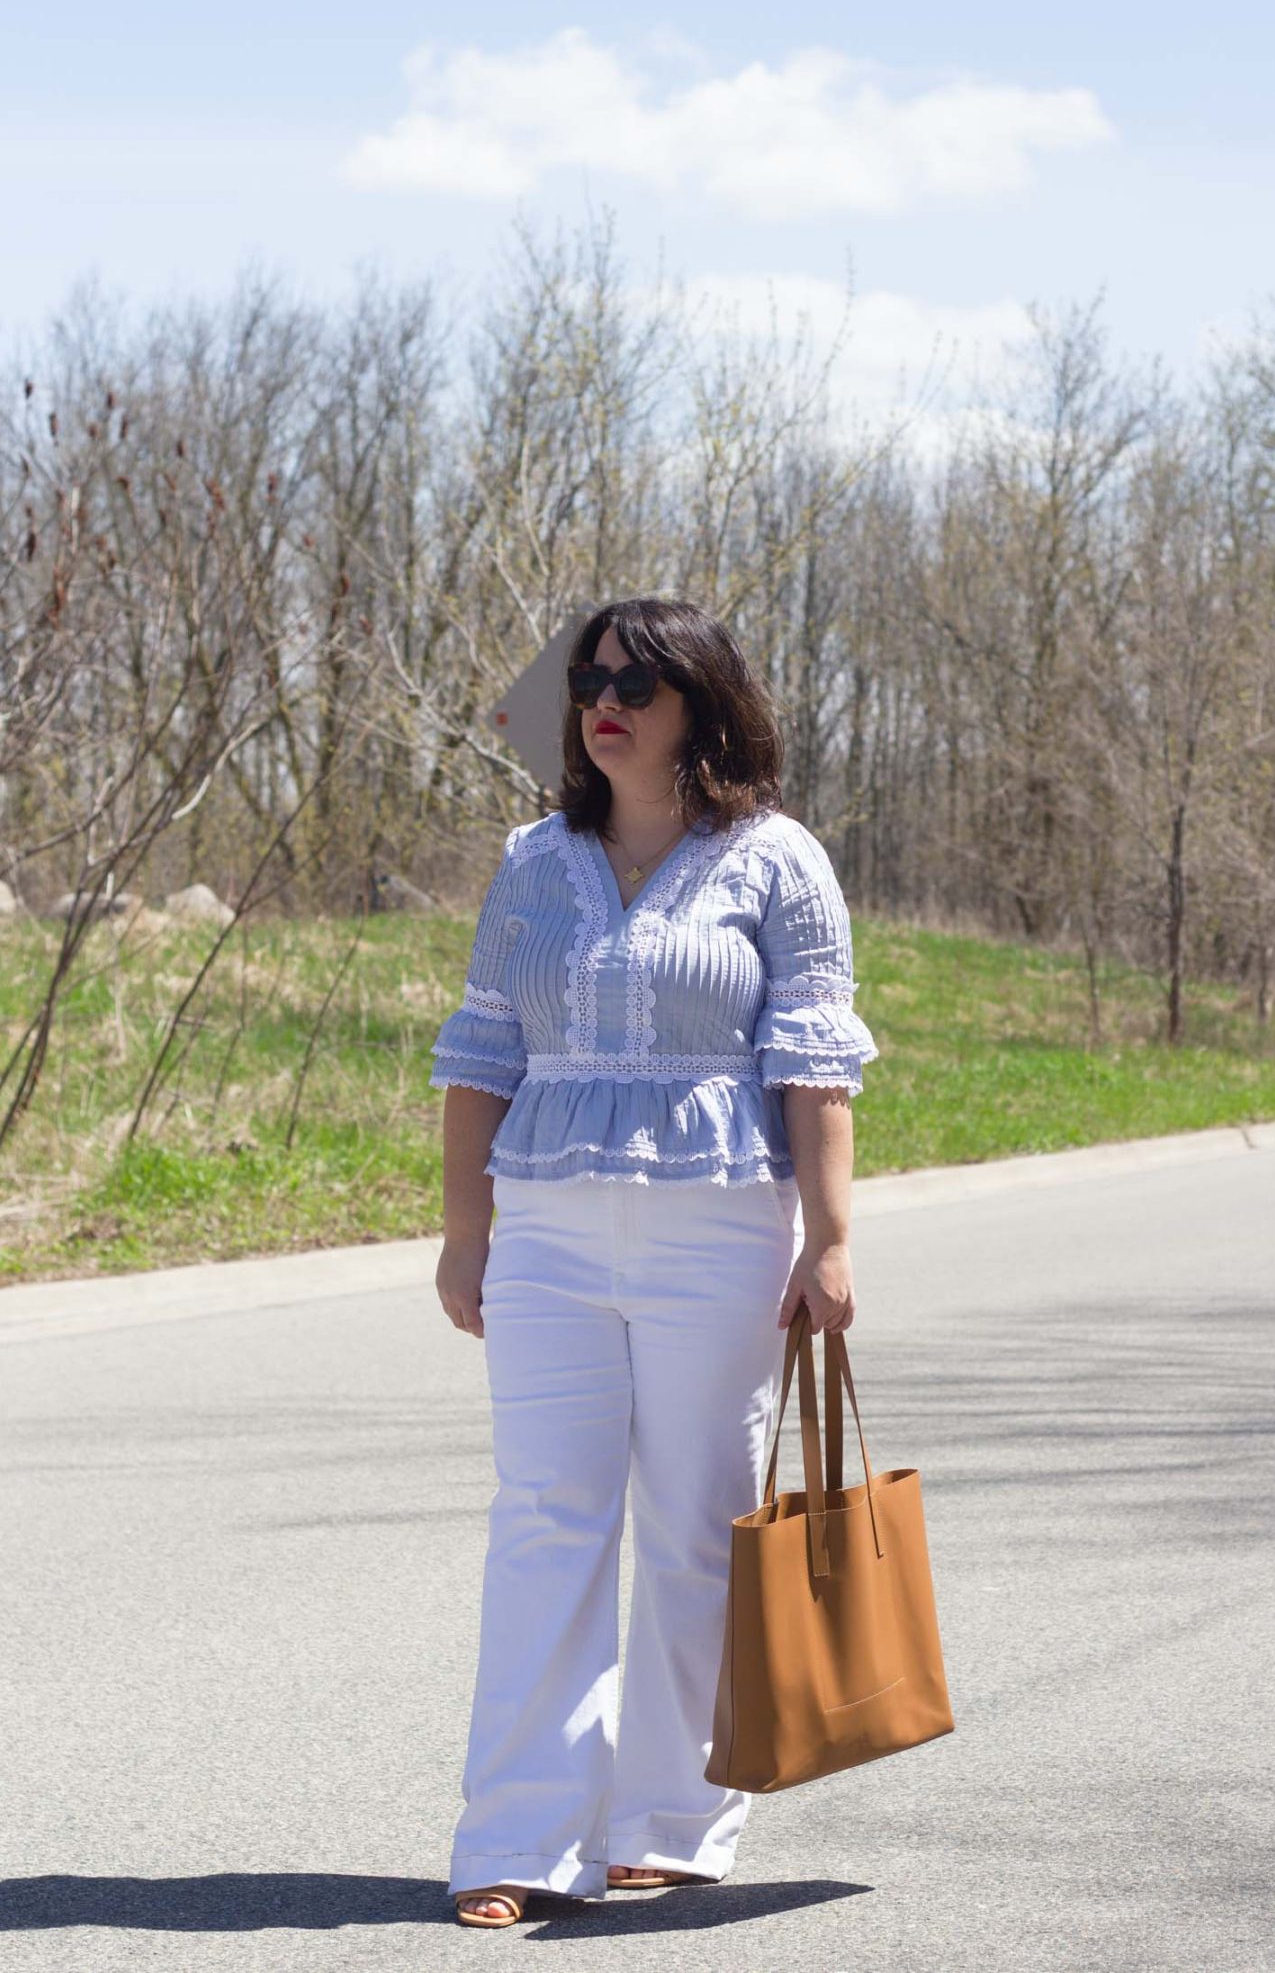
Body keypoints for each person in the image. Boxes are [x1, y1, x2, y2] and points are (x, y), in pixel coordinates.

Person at [431, 595, 879, 1929]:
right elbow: (479, 1053)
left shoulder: (777, 859)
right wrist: (468, 1230)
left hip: (722, 1230)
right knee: (544, 1521)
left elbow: (815, 1062)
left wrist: (834, 1237)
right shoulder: (532, 862)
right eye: (589, 680)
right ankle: (518, 1839)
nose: (604, 699)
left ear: (703, 702)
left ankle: (672, 1818)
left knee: (693, 1527)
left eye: (638, 678)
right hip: (551, 1235)